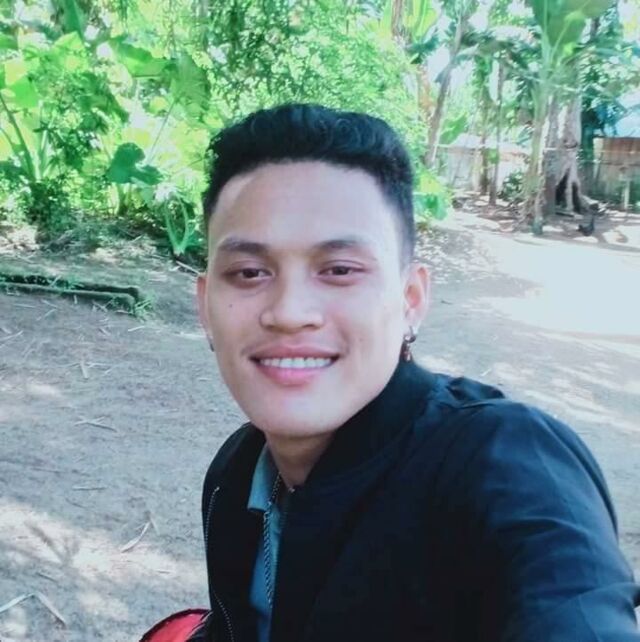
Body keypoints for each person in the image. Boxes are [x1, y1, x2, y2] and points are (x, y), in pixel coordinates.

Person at [180, 103, 639, 642]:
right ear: (206, 306)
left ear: (411, 300)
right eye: (249, 273)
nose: (289, 312)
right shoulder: (237, 475)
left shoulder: (503, 464)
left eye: (339, 270)